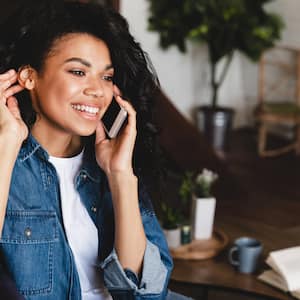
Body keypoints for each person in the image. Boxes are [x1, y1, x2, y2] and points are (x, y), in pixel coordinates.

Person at [0, 1, 189, 299]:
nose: (98, 91)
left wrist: (120, 175)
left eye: (106, 77)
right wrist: (6, 144)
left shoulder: (106, 160)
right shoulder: (6, 161)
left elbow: (147, 292)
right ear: (28, 77)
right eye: (78, 72)